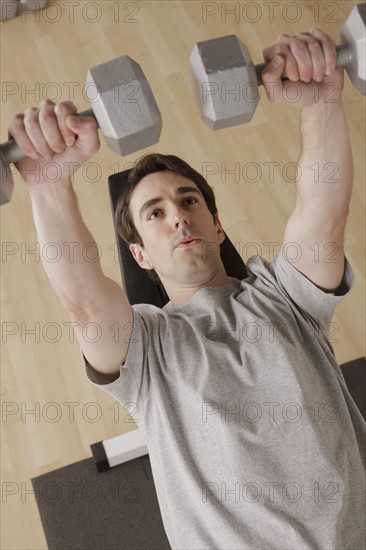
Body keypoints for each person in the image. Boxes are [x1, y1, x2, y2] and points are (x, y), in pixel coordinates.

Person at [9, 29, 365, 550]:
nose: (177, 215)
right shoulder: (146, 353)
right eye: (154, 214)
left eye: (189, 200)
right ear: (141, 256)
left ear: (218, 227)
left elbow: (323, 212)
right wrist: (46, 182)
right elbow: (84, 302)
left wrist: (322, 99)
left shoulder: (287, 297)